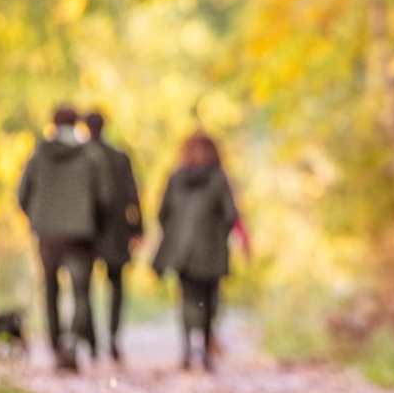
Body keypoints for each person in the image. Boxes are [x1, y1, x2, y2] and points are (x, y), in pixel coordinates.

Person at [17, 105, 113, 371]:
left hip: (48, 234)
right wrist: (94, 223)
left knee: (50, 291)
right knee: (81, 292)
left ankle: (55, 347)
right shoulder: (91, 155)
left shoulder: (39, 154)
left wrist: (38, 218)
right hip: (80, 235)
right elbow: (104, 198)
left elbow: (23, 194)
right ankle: (71, 342)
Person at [152, 132, 240, 371]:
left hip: (182, 251)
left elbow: (163, 213)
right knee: (210, 300)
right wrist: (218, 234)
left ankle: (188, 348)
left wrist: (176, 234)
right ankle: (206, 350)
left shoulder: (176, 178)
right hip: (212, 249)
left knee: (187, 299)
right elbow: (231, 214)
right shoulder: (219, 178)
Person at [83, 110, 144, 362]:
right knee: (116, 286)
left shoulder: (81, 155)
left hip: (86, 230)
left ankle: (92, 342)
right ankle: (113, 338)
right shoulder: (120, 157)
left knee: (82, 288)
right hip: (117, 230)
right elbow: (133, 194)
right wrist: (138, 228)